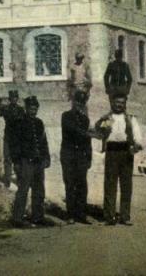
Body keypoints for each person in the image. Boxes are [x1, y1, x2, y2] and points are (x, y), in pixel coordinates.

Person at [95, 94, 142, 225]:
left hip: (126, 152)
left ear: (125, 104)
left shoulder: (130, 119)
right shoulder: (109, 118)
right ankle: (109, 217)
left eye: (121, 102)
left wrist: (136, 145)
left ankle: (125, 216)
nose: (119, 105)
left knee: (126, 185)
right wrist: (100, 123)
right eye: (116, 102)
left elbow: (137, 135)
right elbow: (100, 132)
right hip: (112, 152)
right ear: (112, 103)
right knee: (110, 185)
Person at [10, 96, 51, 227]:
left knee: (39, 190)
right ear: (26, 108)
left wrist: (47, 157)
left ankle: (38, 217)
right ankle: (17, 218)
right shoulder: (19, 123)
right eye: (31, 108)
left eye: (35, 108)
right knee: (23, 189)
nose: (33, 111)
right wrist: (16, 161)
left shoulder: (39, 123)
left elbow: (44, 141)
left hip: (38, 161)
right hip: (25, 161)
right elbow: (14, 143)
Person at [61, 90, 93, 223]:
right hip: (68, 155)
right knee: (70, 184)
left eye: (82, 102)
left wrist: (89, 157)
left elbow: (87, 142)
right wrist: (90, 134)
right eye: (78, 102)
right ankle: (70, 215)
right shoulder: (66, 116)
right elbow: (72, 130)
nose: (80, 105)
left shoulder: (85, 119)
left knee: (82, 185)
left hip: (81, 156)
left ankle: (81, 214)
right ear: (73, 102)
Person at [0, 90, 22, 188]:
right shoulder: (5, 109)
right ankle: (7, 180)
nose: (14, 99)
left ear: (17, 98)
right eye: (12, 98)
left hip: (17, 138)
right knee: (7, 159)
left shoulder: (21, 110)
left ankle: (19, 180)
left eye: (15, 97)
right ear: (9, 99)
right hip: (8, 137)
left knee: (17, 159)